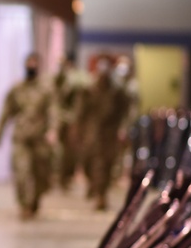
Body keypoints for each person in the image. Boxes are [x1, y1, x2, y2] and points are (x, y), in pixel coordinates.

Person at [0, 52, 54, 219]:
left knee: (40, 174)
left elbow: (53, 112)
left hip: (40, 139)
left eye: (35, 63)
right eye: (29, 63)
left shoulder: (46, 90)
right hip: (21, 138)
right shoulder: (17, 89)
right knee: (21, 172)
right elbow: (6, 112)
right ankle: (24, 204)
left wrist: (53, 131)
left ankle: (35, 200)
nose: (31, 66)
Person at [77, 53, 131, 211]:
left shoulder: (117, 92)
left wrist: (123, 129)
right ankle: (93, 185)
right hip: (91, 133)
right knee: (88, 163)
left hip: (109, 134)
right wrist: (78, 131)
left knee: (105, 165)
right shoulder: (89, 89)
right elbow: (81, 112)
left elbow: (125, 112)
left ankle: (101, 195)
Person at [51, 52, 86, 190]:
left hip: (72, 120)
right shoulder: (57, 78)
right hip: (59, 120)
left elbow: (81, 98)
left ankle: (67, 176)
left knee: (71, 151)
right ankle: (60, 176)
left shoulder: (78, 78)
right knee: (59, 151)